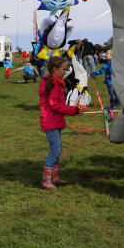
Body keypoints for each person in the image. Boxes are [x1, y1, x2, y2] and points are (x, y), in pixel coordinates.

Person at [38, 55, 81, 190]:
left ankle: (55, 177)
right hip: (50, 121)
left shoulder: (56, 83)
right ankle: (46, 181)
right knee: (56, 150)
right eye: (64, 69)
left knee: (58, 149)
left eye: (67, 68)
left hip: (55, 121)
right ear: (54, 69)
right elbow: (54, 105)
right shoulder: (54, 85)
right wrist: (73, 110)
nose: (66, 71)